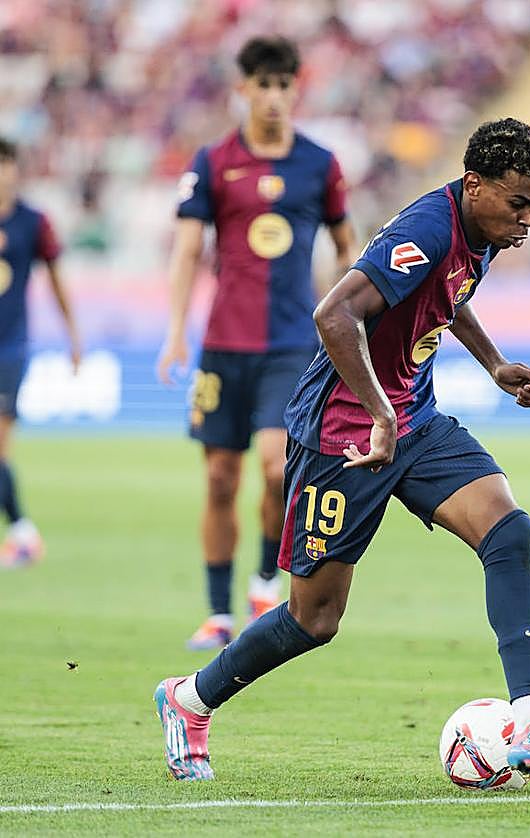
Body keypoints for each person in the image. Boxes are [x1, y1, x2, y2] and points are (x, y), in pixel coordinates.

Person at [154, 118, 530, 782]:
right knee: (315, 619)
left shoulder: (481, 230)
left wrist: (493, 364)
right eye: (520, 203)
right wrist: (376, 412)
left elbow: (444, 296)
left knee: (509, 531)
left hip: (412, 420)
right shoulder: (426, 229)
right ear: (475, 185)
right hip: (345, 434)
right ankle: (189, 698)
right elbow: (334, 315)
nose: (529, 220)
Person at [156, 36, 355, 650]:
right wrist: (174, 334)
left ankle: (265, 578)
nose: (272, 96)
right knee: (219, 479)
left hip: (292, 346)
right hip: (223, 345)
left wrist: (348, 314)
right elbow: (188, 249)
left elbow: (349, 246)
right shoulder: (213, 162)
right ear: (242, 89)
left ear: (296, 89)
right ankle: (217, 614)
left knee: (275, 470)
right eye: (261, 85)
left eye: (283, 84)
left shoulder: (320, 164)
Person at [0, 137, 82, 567]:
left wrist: (72, 334)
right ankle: (22, 532)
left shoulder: (33, 222)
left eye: (5, 165)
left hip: (9, 348)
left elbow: (56, 280)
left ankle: (23, 533)